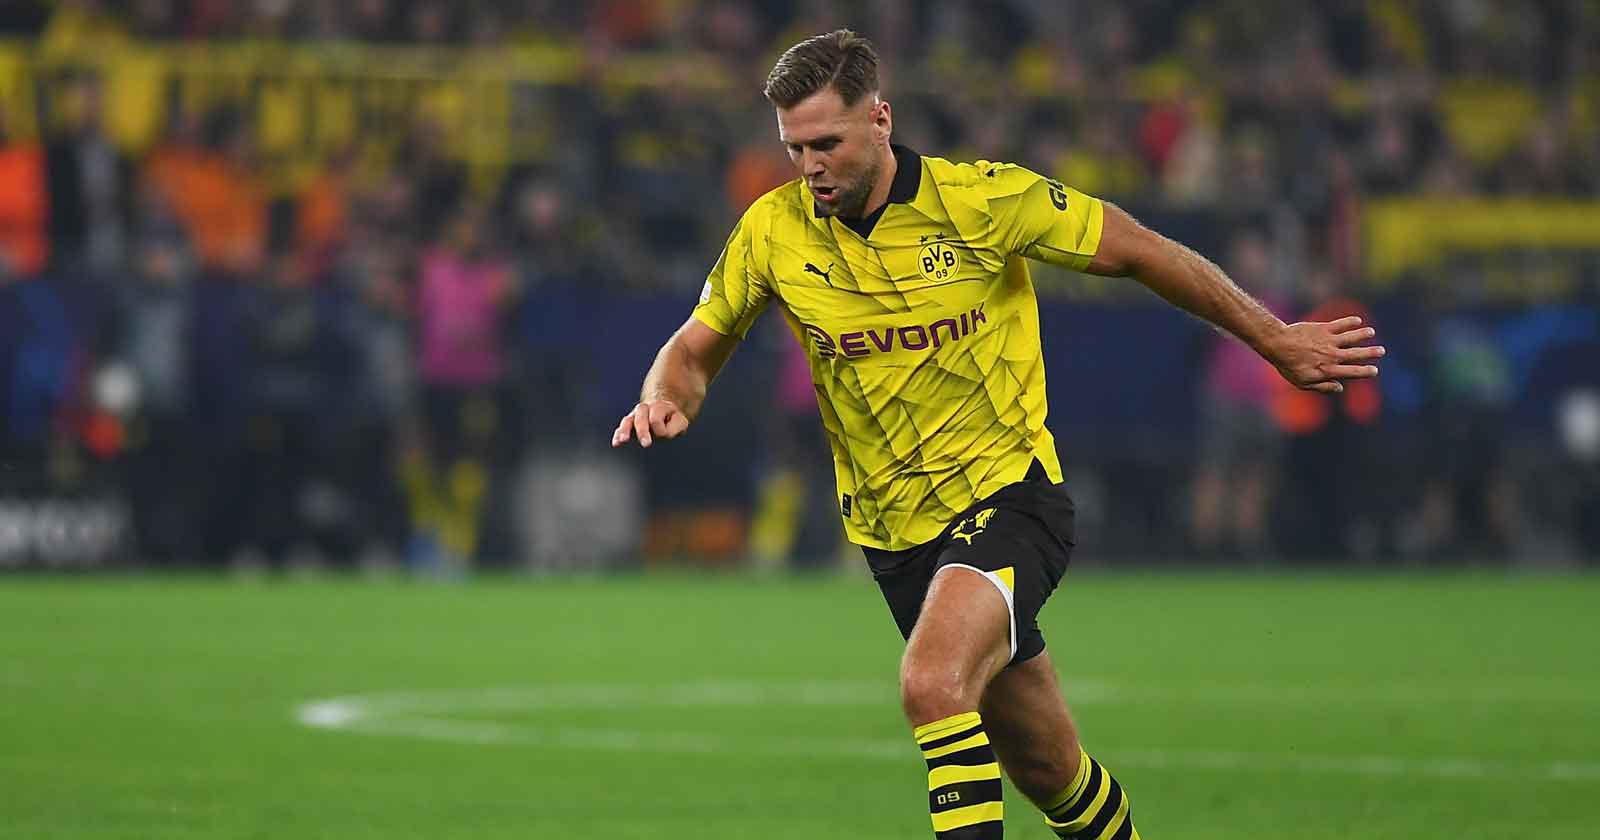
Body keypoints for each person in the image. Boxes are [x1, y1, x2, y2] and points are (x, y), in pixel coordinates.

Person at [612, 30, 1385, 840]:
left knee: (931, 683)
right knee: (1053, 772)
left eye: (826, 144)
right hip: (895, 538)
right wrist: (668, 396)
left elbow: (1143, 252)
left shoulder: (981, 202)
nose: (809, 167)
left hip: (1009, 498)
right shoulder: (774, 231)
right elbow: (693, 350)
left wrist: (1276, 340)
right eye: (794, 147)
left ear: (880, 119)